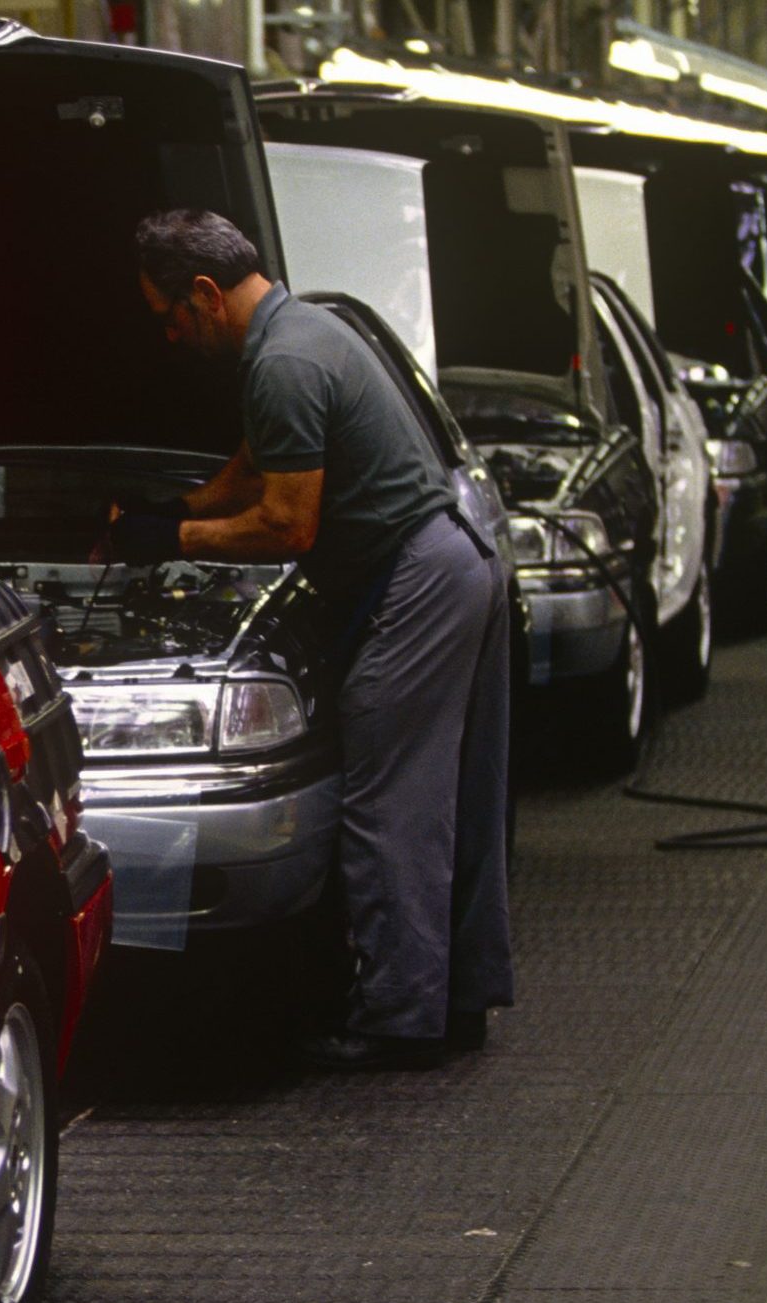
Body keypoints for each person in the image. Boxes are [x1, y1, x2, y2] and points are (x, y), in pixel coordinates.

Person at [101, 210, 512, 1069]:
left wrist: (167, 546)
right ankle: (458, 998)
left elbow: (286, 526)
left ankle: (397, 1024)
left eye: (168, 314)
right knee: (450, 802)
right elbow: (248, 476)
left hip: (419, 579)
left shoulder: (283, 361)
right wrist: (167, 512)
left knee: (391, 805)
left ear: (206, 294)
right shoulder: (298, 330)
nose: (168, 333)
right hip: (448, 564)